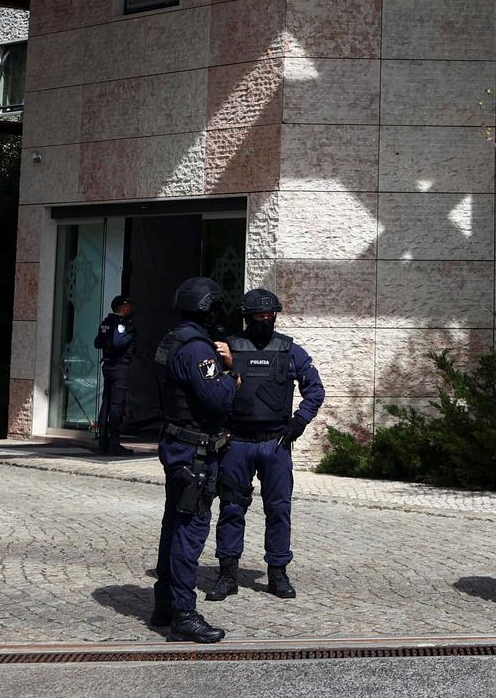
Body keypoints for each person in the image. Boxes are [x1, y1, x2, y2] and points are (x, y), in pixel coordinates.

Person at [206, 288, 325, 602]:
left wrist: (301, 420)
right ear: (247, 318)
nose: (265, 321)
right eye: (259, 316)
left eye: (270, 316)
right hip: (237, 442)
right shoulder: (228, 347)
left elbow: (315, 388)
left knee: (278, 510)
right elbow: (210, 391)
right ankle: (227, 573)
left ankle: (278, 572)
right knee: (231, 508)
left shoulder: (289, 349)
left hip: (275, 442)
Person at [148, 276, 238, 644]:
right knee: (190, 530)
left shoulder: (172, 339)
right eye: (216, 305)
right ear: (207, 307)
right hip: (195, 452)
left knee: (174, 526)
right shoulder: (198, 349)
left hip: (177, 444)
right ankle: (184, 613)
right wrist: (233, 378)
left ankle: (165, 604)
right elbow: (216, 399)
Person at [93, 295, 136, 455]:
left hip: (108, 366)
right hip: (119, 367)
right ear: (123, 308)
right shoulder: (121, 324)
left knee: (106, 403)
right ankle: (114, 443)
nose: (131, 309)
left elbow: (97, 342)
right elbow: (118, 342)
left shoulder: (106, 322)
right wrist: (130, 335)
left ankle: (102, 440)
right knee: (116, 405)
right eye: (129, 306)